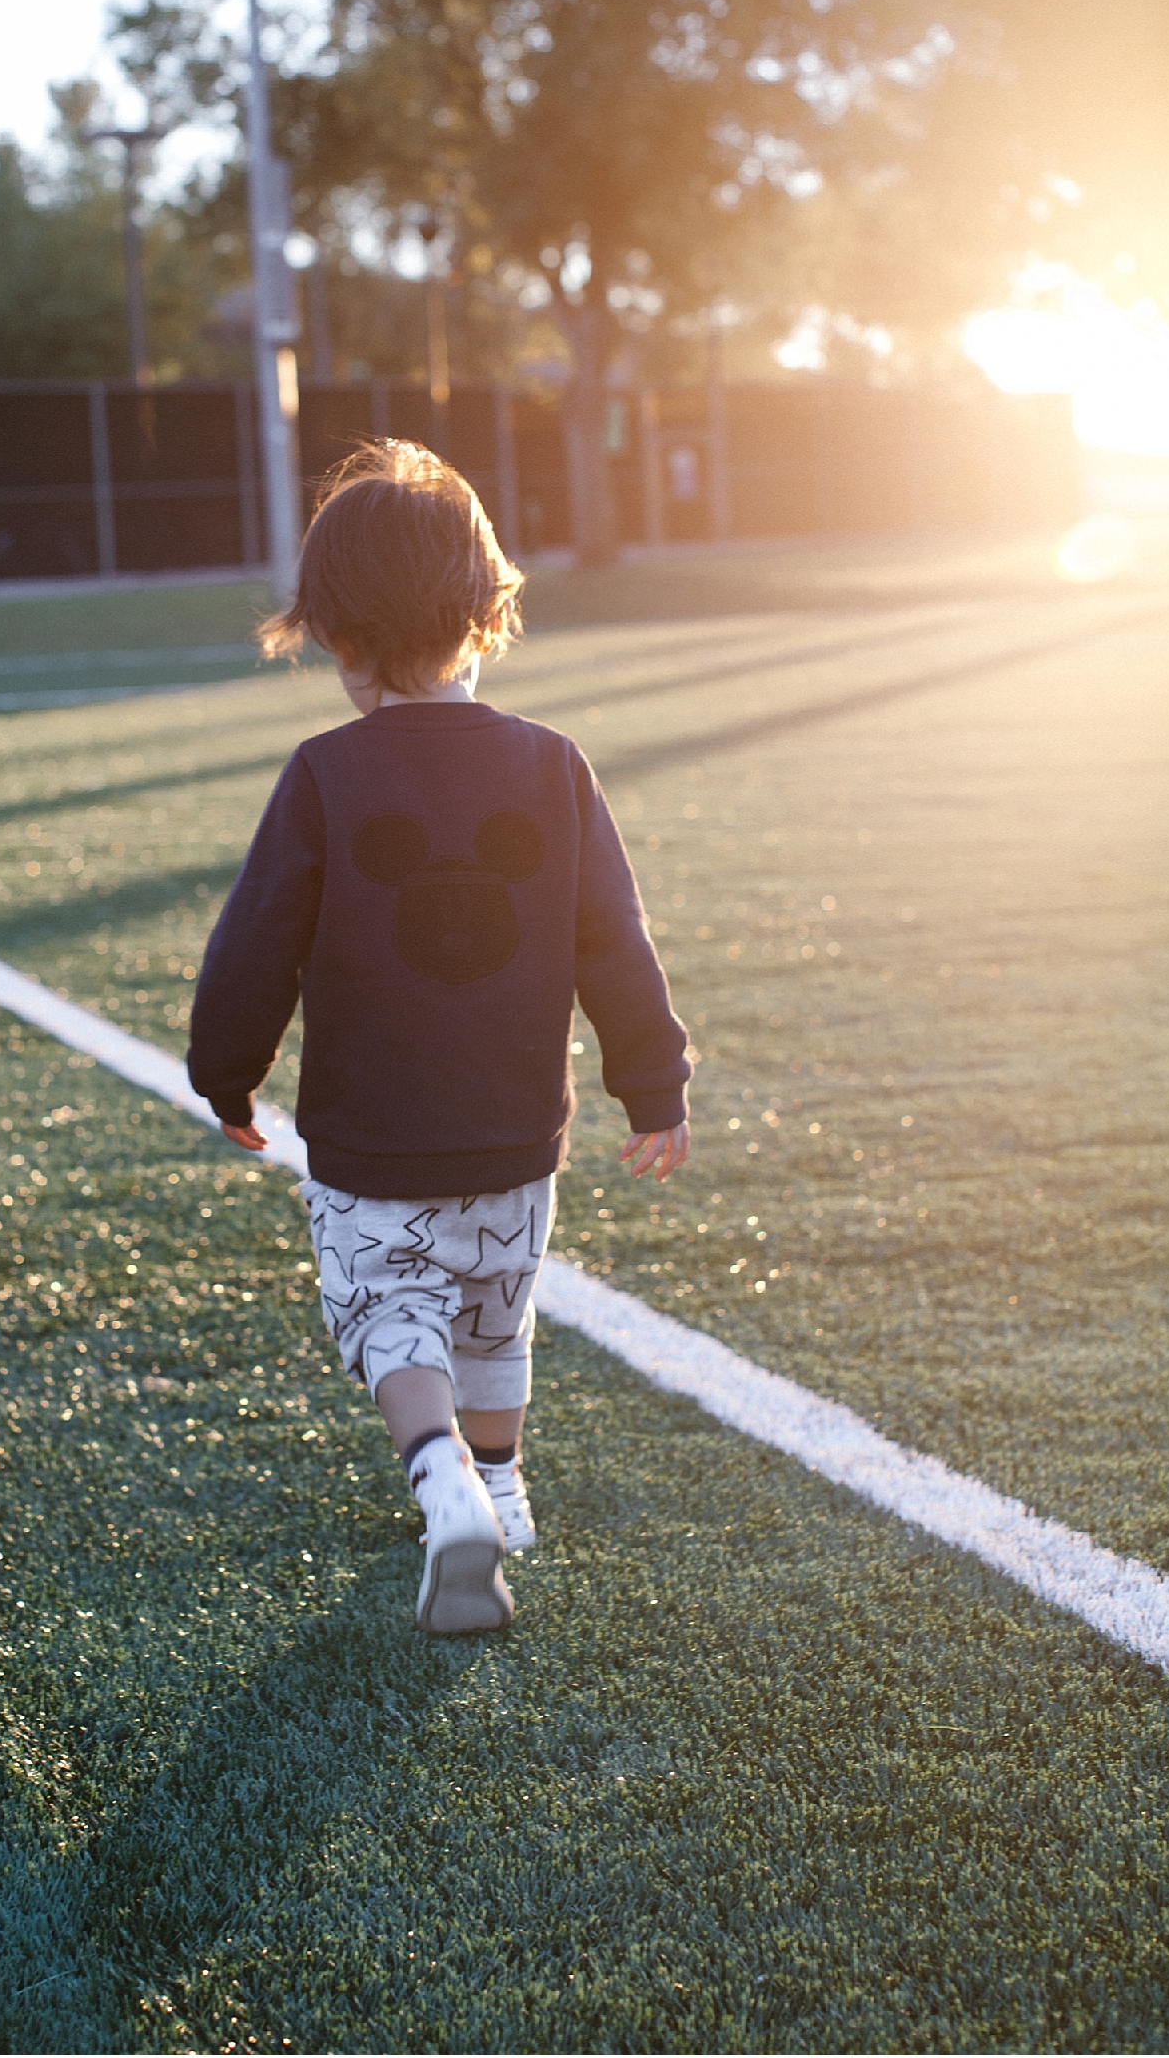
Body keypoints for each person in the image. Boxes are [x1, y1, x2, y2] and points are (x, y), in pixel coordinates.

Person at [187, 442, 691, 1633]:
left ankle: (444, 1482)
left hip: (374, 1145)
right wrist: (652, 1084)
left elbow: (253, 945)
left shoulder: (324, 776)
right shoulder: (553, 765)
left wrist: (227, 1074)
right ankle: (504, 1484)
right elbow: (612, 941)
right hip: (518, 1136)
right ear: (484, 609)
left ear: (338, 637)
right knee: (492, 1315)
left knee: (389, 1316)